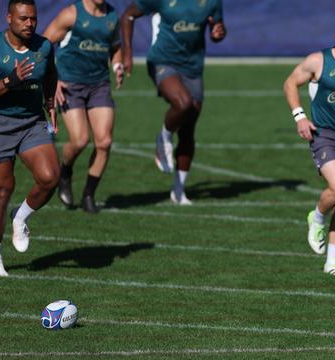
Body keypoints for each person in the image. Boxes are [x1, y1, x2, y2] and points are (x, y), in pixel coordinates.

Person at [283, 10, 335, 277]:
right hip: (325, 135)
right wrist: (300, 117)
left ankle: (332, 261)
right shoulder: (319, 60)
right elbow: (290, 83)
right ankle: (317, 216)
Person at [120, 0, 226, 205]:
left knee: (188, 129)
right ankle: (164, 137)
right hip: (162, 60)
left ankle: (179, 191)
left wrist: (218, 33)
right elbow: (128, 15)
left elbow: (218, 29)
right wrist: (127, 51)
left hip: (193, 67)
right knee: (183, 103)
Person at [0, 0, 59, 276]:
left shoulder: (44, 47)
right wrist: (10, 82)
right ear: (9, 18)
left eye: (33, 18)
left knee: (50, 177)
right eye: (23, 18)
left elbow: (51, 75)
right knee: (1, 190)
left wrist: (50, 103)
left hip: (32, 121)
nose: (29, 23)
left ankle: (20, 218)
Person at [43, 0, 123, 213]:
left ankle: (89, 195)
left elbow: (115, 47)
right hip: (70, 84)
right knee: (79, 140)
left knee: (104, 141)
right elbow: (43, 44)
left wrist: (117, 65)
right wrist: (53, 79)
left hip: (99, 85)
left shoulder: (112, 16)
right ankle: (65, 172)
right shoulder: (71, 14)